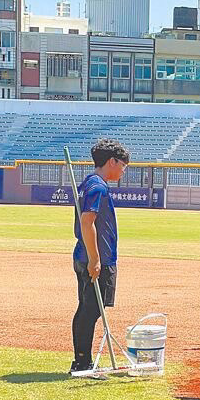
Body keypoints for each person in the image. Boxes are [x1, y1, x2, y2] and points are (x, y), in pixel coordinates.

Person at [71, 139, 129, 374]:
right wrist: (96, 259)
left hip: (86, 255)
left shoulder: (90, 183)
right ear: (112, 161)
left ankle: (81, 359)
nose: (124, 170)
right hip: (95, 258)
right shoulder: (97, 187)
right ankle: (82, 361)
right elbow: (87, 222)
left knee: (87, 308)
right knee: (91, 310)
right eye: (123, 165)